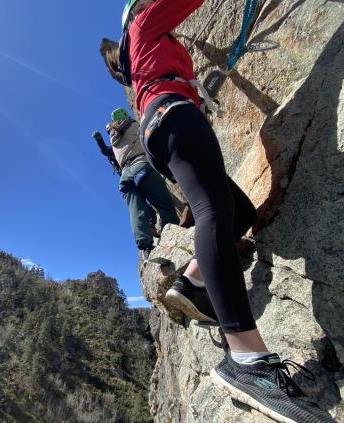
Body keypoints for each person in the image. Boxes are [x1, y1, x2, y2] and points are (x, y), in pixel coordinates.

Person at [116, 1, 335, 422]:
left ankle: (194, 283)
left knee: (238, 212)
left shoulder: (142, 59)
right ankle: (247, 360)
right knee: (213, 208)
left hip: (164, 124)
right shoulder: (142, 24)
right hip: (173, 115)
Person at [92, 108, 179, 260]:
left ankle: (146, 248)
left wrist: (99, 140)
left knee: (136, 211)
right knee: (164, 206)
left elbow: (106, 152)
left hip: (125, 178)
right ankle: (173, 237)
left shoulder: (114, 138)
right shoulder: (136, 126)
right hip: (142, 167)